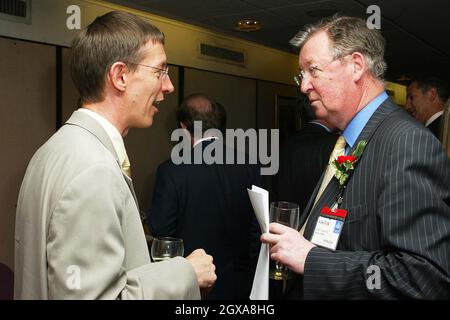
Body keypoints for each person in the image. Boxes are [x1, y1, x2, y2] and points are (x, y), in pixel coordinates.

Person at [14, 11, 216, 299]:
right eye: (160, 71)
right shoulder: (93, 170)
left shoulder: (55, 149)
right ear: (120, 76)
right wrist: (186, 273)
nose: (169, 86)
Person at [261, 15, 450, 299]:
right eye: (302, 75)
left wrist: (311, 259)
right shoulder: (346, 141)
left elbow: (422, 277)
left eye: (314, 71)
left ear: (356, 66)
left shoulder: (406, 142)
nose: (303, 86)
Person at [148, 93, 261, 299]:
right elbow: (257, 230)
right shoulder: (250, 166)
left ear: (183, 128)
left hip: (193, 286)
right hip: (240, 285)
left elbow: (162, 231)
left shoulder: (171, 171)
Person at [274, 96, 338, 213]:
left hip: (289, 217)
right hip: (319, 220)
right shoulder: (335, 145)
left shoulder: (287, 142)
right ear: (323, 111)